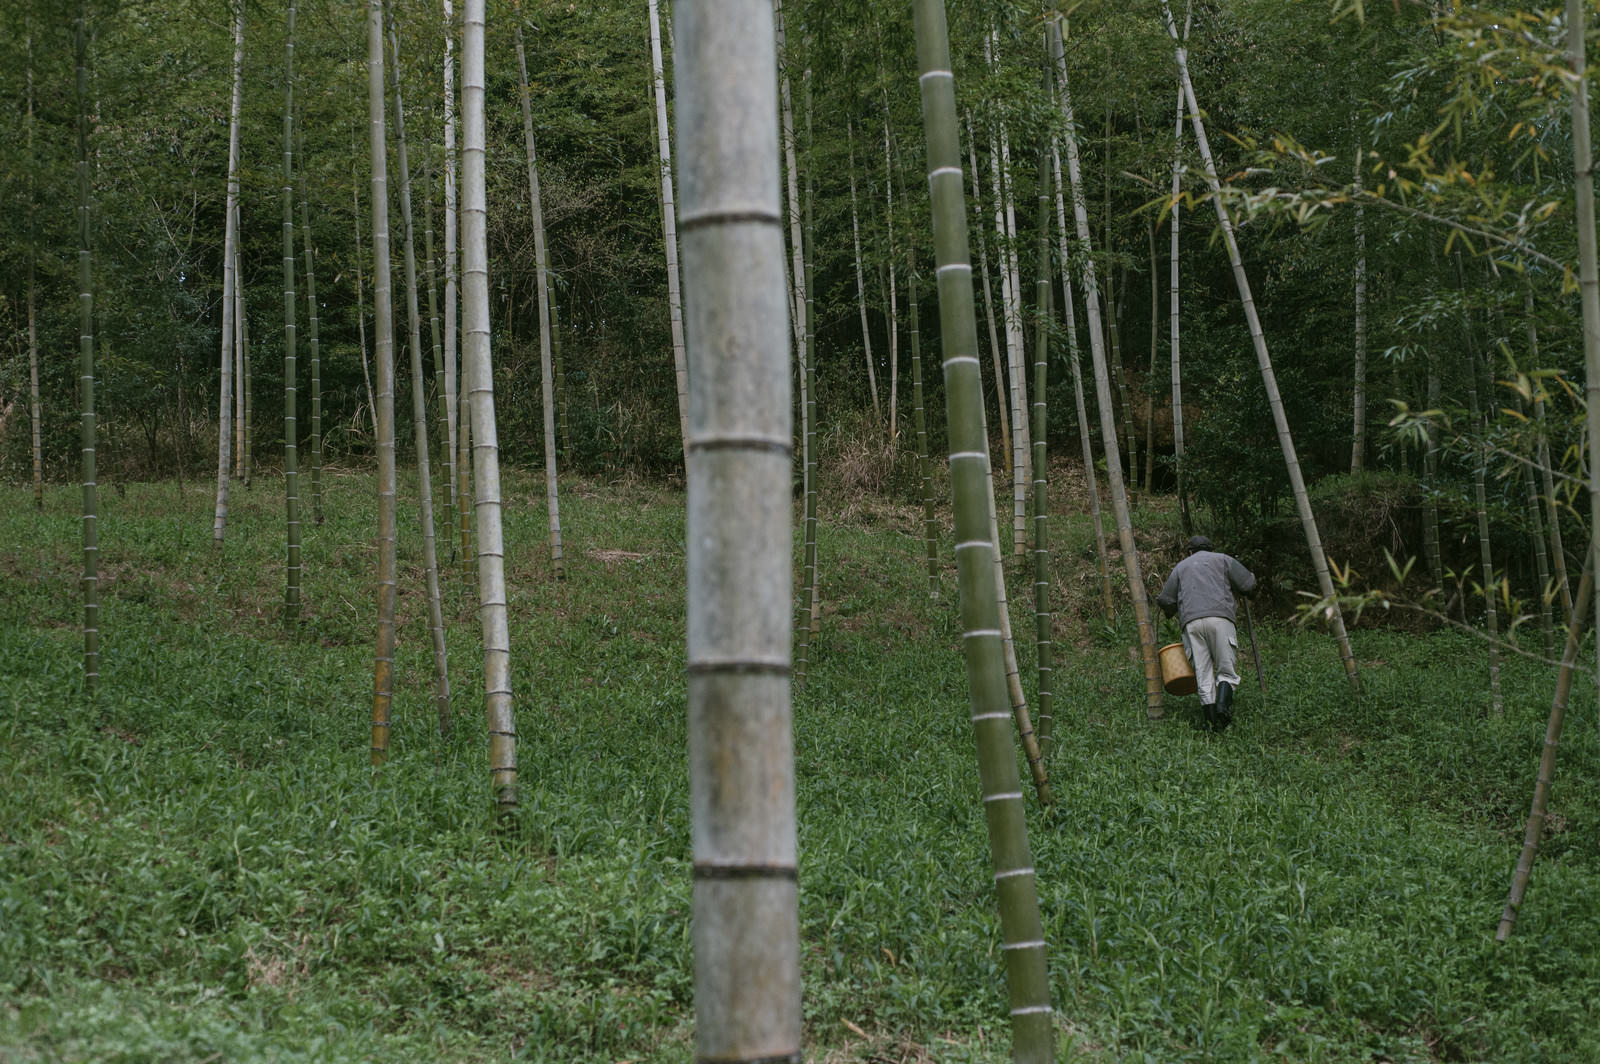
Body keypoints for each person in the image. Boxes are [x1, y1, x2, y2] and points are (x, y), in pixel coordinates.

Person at [1156, 535, 1257, 731]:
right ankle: (1222, 709)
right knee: (1226, 670)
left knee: (1202, 674)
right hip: (1220, 619)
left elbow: (1166, 600)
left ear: (1190, 552)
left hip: (1192, 624)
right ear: (1211, 549)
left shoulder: (1181, 567)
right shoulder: (1223, 559)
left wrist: (1171, 610)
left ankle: (1210, 723)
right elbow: (1248, 584)